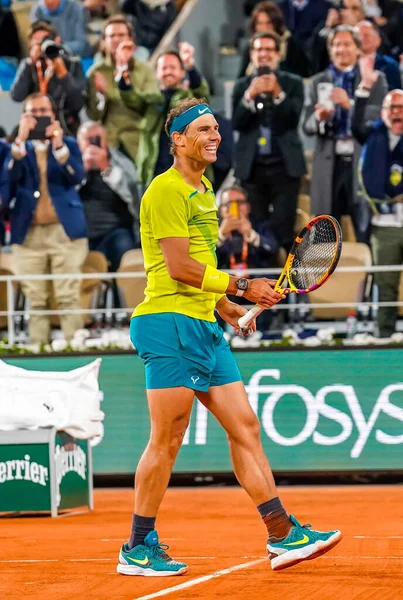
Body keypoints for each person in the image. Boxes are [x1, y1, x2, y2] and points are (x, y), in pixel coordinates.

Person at [116, 96, 342, 577]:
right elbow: (177, 268)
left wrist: (229, 307)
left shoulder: (204, 190)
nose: (214, 135)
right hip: (168, 323)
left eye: (217, 128)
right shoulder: (165, 191)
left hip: (203, 324)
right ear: (177, 139)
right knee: (168, 439)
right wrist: (242, 284)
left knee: (245, 427)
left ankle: (282, 533)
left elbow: (204, 269)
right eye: (203, 129)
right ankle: (137, 545)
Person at [0, 93, 88, 345]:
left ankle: (76, 354)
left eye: (43, 112)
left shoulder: (68, 144)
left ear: (52, 115)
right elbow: (8, 180)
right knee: (35, 298)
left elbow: (77, 177)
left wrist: (59, 146)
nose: (39, 117)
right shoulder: (14, 148)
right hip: (29, 235)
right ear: (23, 116)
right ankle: (39, 354)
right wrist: (20, 140)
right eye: (32, 112)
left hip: (65, 233)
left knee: (68, 296)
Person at [302, 25, 387, 243]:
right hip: (330, 163)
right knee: (325, 232)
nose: (341, 49)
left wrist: (349, 104)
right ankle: (327, 277)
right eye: (336, 44)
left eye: (347, 44)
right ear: (330, 49)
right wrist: (320, 117)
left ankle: (368, 276)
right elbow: (307, 126)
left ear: (358, 49)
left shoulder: (375, 79)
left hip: (362, 162)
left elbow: (380, 116)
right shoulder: (317, 82)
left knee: (364, 228)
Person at [232, 31, 306, 252]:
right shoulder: (241, 86)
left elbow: (292, 119)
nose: (263, 54)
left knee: (284, 231)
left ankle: (287, 284)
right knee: (255, 229)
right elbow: (237, 123)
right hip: (252, 170)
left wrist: (277, 93)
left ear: (278, 54)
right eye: (258, 49)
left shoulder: (293, 83)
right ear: (252, 54)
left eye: (268, 49)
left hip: (285, 168)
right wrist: (249, 96)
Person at [352, 88, 403, 337]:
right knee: (385, 284)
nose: (397, 113)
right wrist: (362, 91)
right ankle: (385, 335)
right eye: (392, 107)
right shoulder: (373, 135)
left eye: (401, 108)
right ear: (383, 112)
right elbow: (355, 125)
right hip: (384, 224)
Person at [86, 14, 161, 163]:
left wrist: (109, 91)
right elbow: (94, 115)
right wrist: (100, 96)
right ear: (104, 42)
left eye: (121, 35)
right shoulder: (96, 73)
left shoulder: (145, 70)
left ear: (130, 39)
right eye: (111, 36)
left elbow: (149, 105)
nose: (116, 39)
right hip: (109, 143)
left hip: (138, 141)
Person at [137, 43, 209, 188]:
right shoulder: (150, 100)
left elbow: (202, 95)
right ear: (157, 72)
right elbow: (131, 99)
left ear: (182, 72)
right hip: (152, 173)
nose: (168, 71)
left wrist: (190, 66)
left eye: (173, 67)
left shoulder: (190, 98)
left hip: (186, 174)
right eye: (164, 68)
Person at [77, 121, 140, 271]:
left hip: (115, 232)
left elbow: (134, 197)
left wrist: (106, 168)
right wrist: (81, 170)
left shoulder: (121, 162)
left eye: (97, 139)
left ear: (106, 141)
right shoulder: (70, 165)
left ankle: (124, 294)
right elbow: (61, 195)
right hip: (80, 235)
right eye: (88, 139)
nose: (93, 144)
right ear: (79, 143)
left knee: (125, 248)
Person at [10, 20, 86, 137]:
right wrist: (30, 64)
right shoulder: (29, 66)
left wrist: (63, 74)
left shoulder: (72, 64)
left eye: (46, 40)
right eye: (38, 43)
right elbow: (16, 96)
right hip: (35, 127)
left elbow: (78, 105)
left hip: (66, 127)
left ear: (57, 41)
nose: (42, 46)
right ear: (31, 45)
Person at [238, 2, 291, 78]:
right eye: (260, 23)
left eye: (268, 23)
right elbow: (241, 78)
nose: (264, 28)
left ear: (276, 24)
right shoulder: (250, 46)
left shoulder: (289, 44)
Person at [355, 20, 401, 91]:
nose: (361, 38)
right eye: (358, 35)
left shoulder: (389, 64)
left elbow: (394, 92)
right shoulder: (346, 63)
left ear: (378, 40)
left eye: (366, 35)